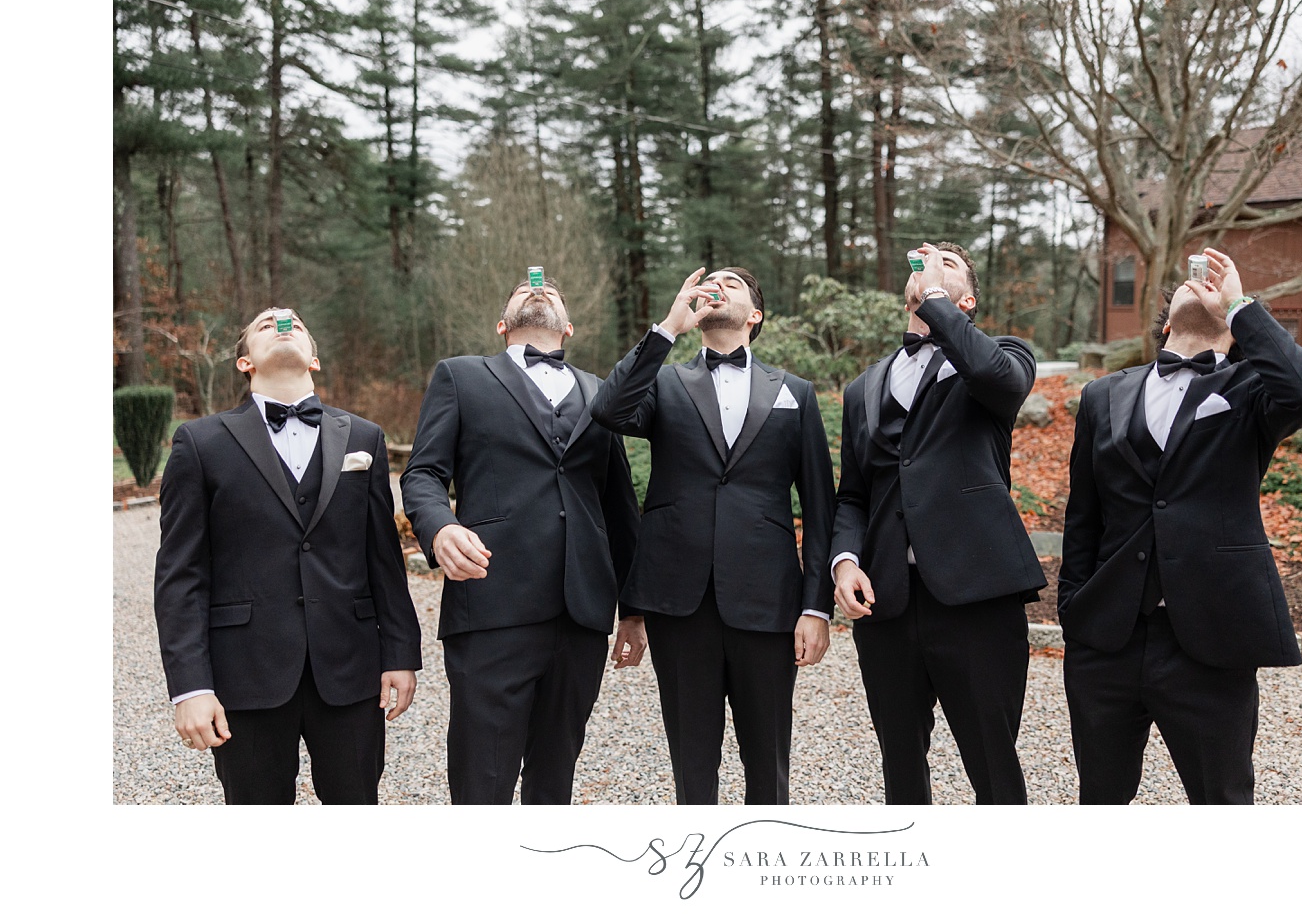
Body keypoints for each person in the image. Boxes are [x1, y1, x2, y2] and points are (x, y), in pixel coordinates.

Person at [1058, 247, 1302, 804]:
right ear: (1165, 319)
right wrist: (1075, 611)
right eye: (1189, 284)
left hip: (1211, 637)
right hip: (1108, 640)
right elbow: (1083, 516)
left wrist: (1239, 306)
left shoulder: (1250, 388)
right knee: (1099, 801)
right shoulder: (1103, 395)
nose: (1198, 286)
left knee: (1222, 800)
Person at [154, 307, 422, 804]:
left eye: (297, 323)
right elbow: (180, 575)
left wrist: (401, 654)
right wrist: (190, 687)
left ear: (314, 360)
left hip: (349, 668)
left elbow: (384, 559)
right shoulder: (200, 443)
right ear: (244, 363)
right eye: (264, 324)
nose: (282, 321)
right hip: (244, 675)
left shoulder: (364, 438)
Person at [590, 266, 835, 804]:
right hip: (679, 601)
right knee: (691, 763)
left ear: (755, 314)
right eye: (711, 278)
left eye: (734, 281)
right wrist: (667, 329)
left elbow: (821, 508)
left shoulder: (796, 392)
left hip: (768, 601)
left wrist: (816, 607)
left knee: (769, 761)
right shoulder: (663, 381)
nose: (717, 284)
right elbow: (609, 409)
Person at [401, 276, 642, 805]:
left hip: (581, 613)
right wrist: (440, 526)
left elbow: (619, 507)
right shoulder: (461, 377)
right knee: (482, 776)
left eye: (554, 291)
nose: (539, 291)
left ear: (570, 327)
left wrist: (634, 609)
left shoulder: (601, 391)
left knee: (555, 776)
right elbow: (422, 475)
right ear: (502, 324)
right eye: (524, 289)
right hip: (491, 602)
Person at [832, 243, 1044, 804]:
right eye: (924, 265)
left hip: (976, 594)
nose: (929, 267)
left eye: (947, 266)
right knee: (899, 762)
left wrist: (934, 301)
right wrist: (845, 560)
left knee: (993, 762)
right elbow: (853, 492)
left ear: (967, 300)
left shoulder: (1002, 356)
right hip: (888, 602)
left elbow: (996, 378)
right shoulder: (863, 388)